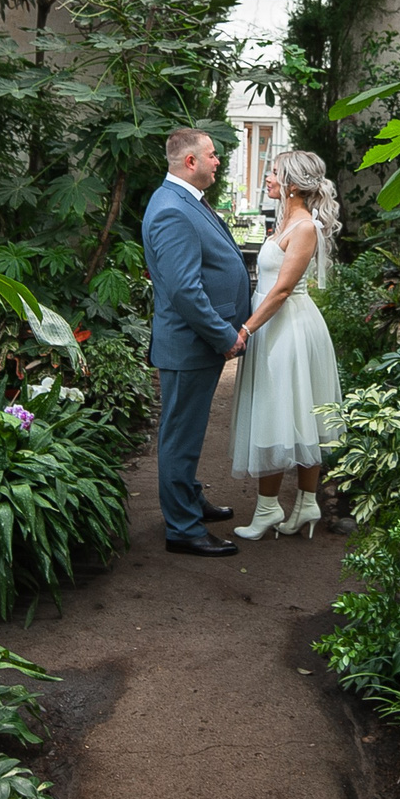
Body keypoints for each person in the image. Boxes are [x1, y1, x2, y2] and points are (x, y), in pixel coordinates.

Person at [141, 128, 249, 556]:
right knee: (180, 437)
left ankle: (189, 500)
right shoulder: (172, 209)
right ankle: (182, 529)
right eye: (212, 155)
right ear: (190, 162)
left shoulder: (185, 200)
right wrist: (224, 335)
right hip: (190, 344)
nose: (217, 162)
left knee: (188, 431)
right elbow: (185, 290)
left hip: (195, 343)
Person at [230, 149, 342, 539]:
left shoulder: (304, 227)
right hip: (275, 326)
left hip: (288, 329)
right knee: (287, 411)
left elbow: (280, 291)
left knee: (284, 412)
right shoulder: (286, 222)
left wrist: (244, 330)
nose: (269, 178)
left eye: (274, 173)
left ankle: (272, 509)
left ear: (293, 184)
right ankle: (301, 505)